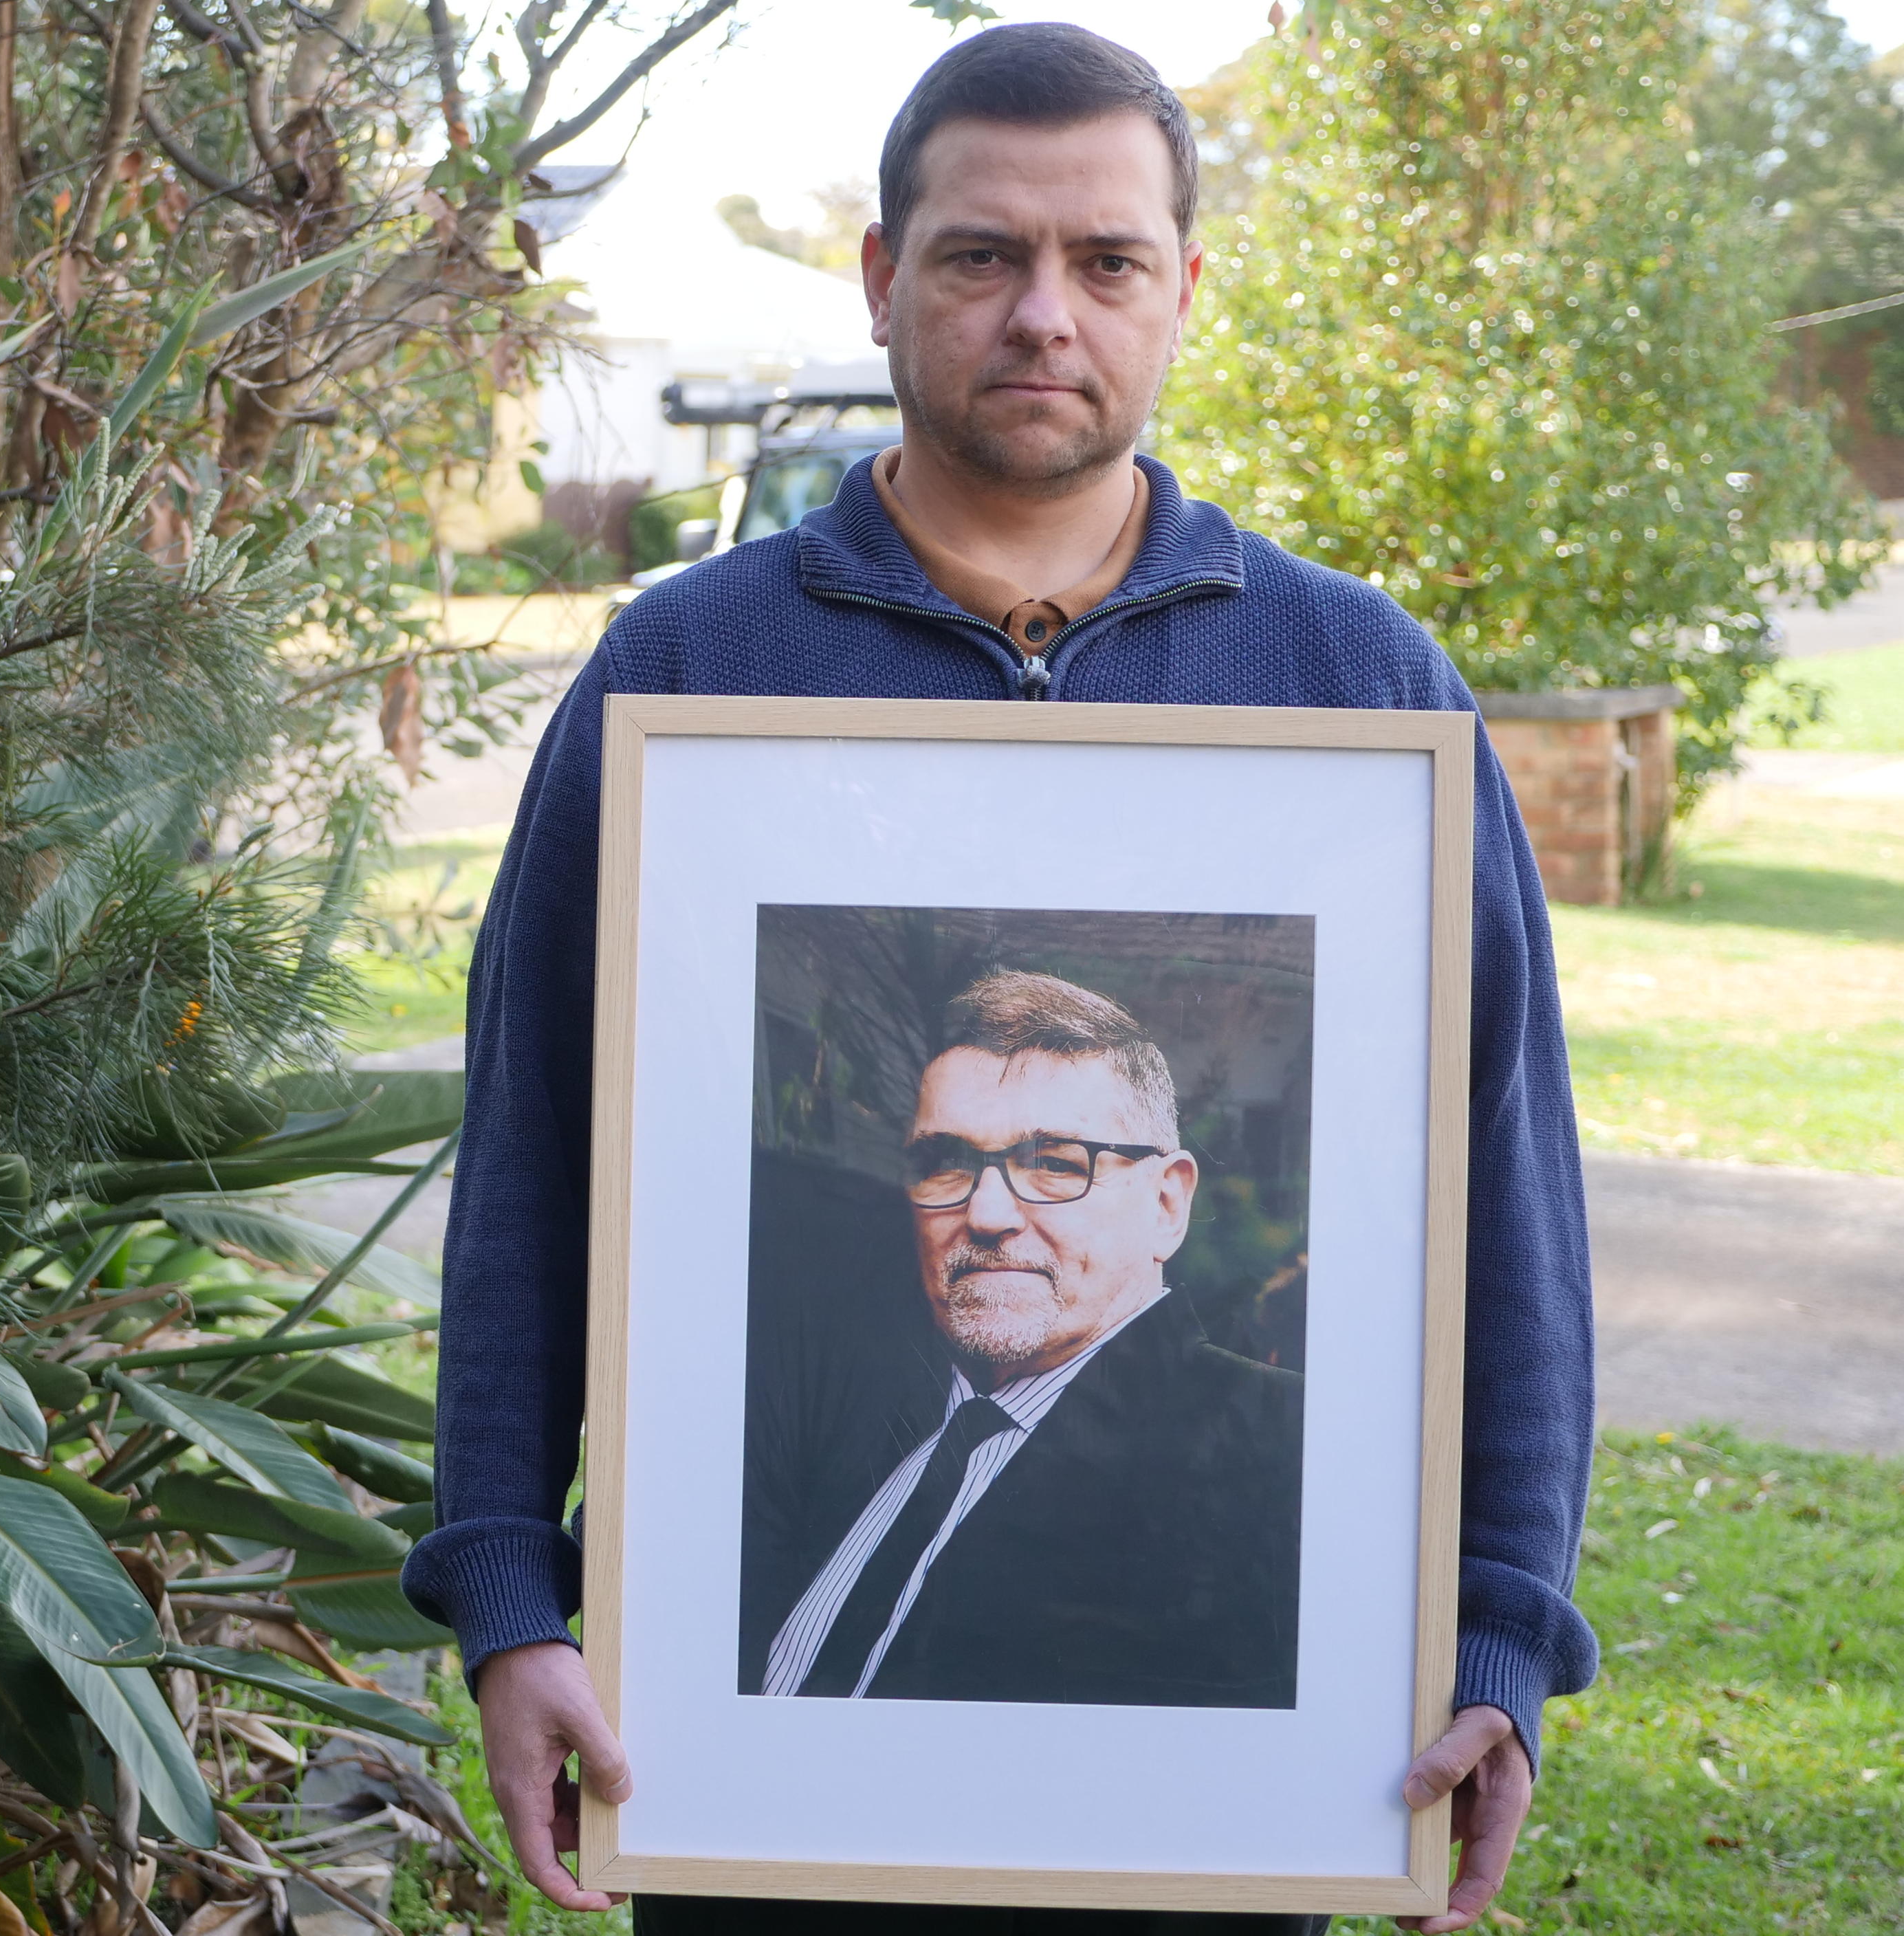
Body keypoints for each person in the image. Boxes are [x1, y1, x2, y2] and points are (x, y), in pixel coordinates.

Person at [402, 23, 1597, 1936]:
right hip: (740, 1805)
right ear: (883, 280)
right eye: (981, 255)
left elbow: (1501, 1202)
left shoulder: (1360, 692)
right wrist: (507, 1590)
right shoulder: (689, 677)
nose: (1047, 312)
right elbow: (540, 1160)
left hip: (1235, 1805)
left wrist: (1502, 1628)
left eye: (1108, 261)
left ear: (1185, 293)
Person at [749, 969, 1302, 1712]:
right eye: (945, 1160)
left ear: (1166, 1203)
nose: (985, 1212)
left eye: (1052, 1163)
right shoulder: (848, 1401)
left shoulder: (1276, 1449)